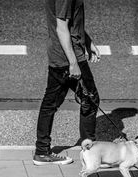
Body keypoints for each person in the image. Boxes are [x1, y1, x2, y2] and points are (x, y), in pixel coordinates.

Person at [33, 0, 101, 165]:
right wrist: (73, 63)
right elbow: (61, 27)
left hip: (59, 55)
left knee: (50, 102)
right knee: (90, 99)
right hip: (68, 57)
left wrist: (88, 42)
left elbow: (72, 24)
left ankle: (42, 151)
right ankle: (90, 151)